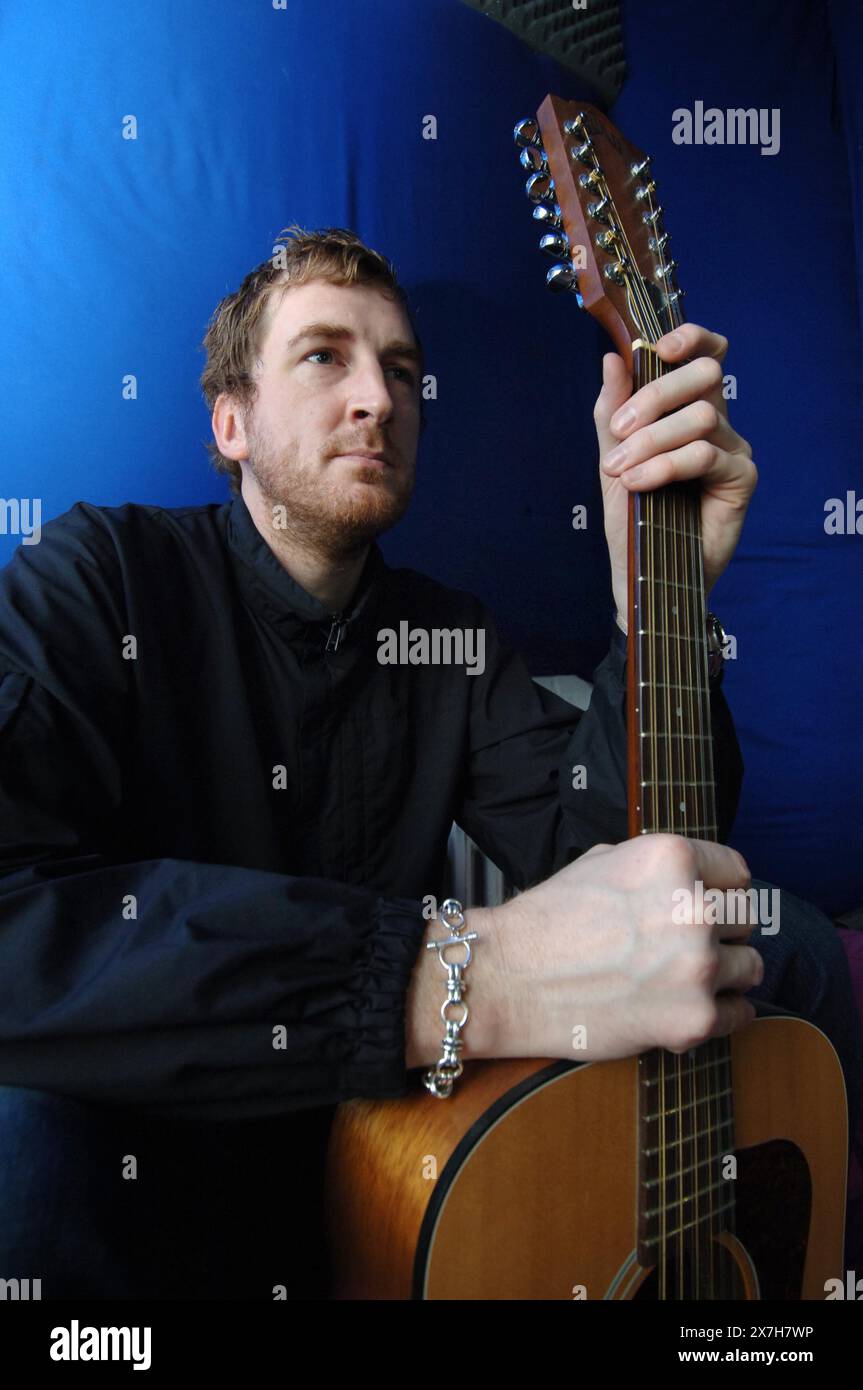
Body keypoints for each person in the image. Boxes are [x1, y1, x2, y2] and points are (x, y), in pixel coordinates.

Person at [0, 226, 859, 1299]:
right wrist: (453, 976)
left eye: (401, 370)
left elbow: (615, 870)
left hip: (397, 1153)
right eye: (324, 356)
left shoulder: (447, 639)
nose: (377, 398)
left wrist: (653, 605)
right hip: (152, 1167)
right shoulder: (96, 578)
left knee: (788, 950)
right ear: (230, 422)